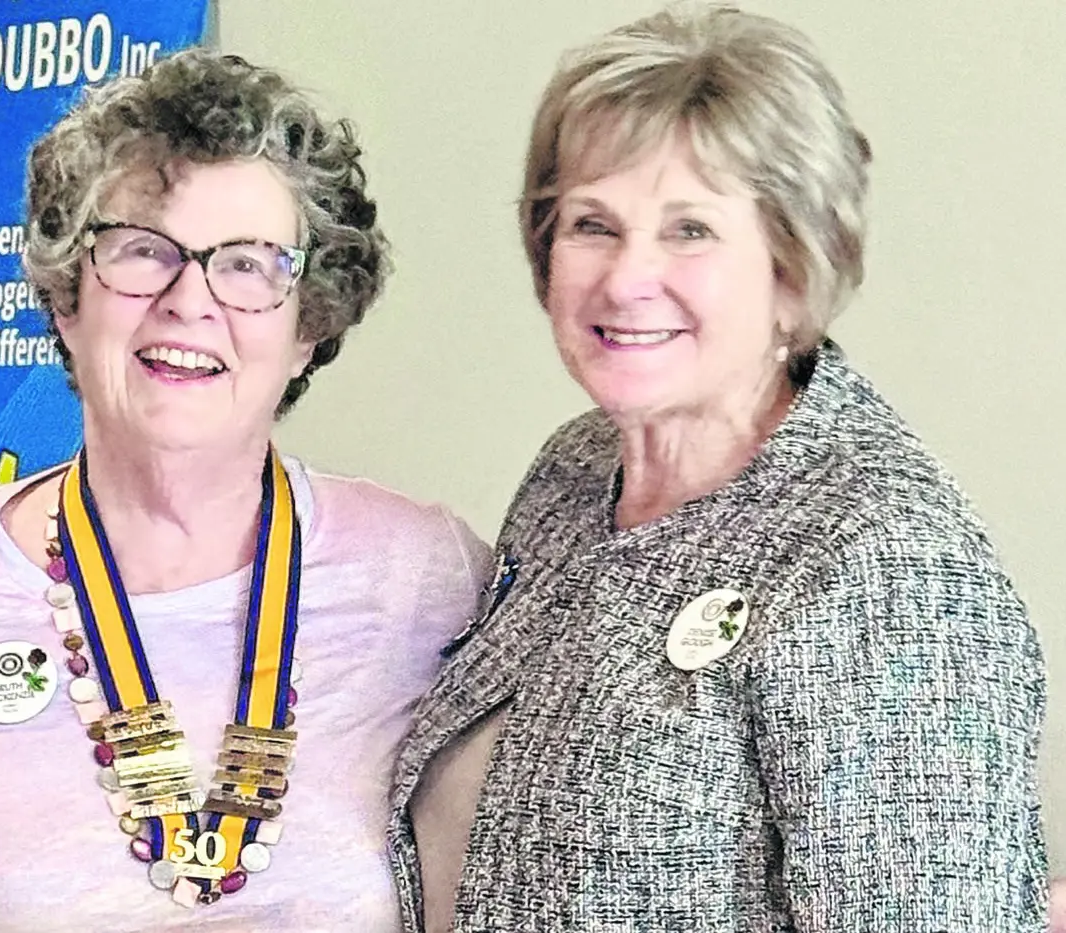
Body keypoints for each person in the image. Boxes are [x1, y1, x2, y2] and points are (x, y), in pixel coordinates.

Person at [0, 50, 490, 932]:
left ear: (309, 324)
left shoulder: (430, 578)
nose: (189, 300)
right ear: (65, 298)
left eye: (248, 264)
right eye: (141, 250)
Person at [389, 5, 1047, 931]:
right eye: (593, 224)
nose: (626, 277)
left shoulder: (881, 559)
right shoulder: (573, 473)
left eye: (689, 229)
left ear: (791, 262)